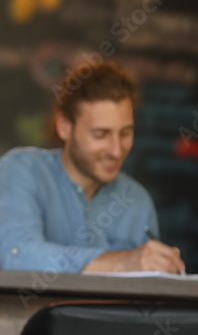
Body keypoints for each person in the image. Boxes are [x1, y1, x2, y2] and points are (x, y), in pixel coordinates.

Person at [0, 62, 185, 274]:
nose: (116, 151)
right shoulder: (21, 170)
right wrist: (122, 263)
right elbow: (16, 255)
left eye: (125, 133)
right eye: (101, 135)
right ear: (64, 127)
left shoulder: (137, 201)